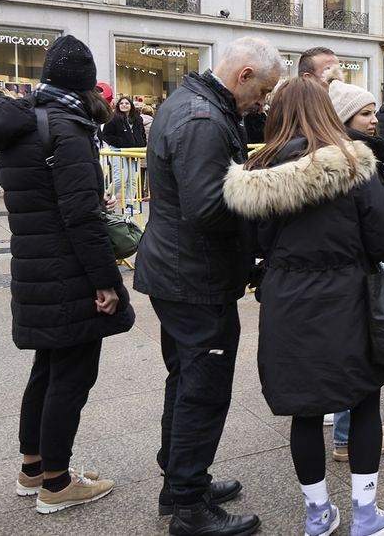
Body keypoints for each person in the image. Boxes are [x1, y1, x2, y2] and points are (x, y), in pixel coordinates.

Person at [223, 78, 384, 536]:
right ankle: (366, 516)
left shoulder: (255, 172)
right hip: (349, 296)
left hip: (287, 299)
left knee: (304, 410)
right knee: (363, 399)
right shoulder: (351, 163)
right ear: (326, 111)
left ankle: (317, 515)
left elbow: (252, 243)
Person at [0, 36, 136, 514]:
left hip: (35, 266)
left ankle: (32, 468)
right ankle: (58, 483)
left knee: (46, 371)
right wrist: (106, 282)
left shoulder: (27, 121)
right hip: (68, 270)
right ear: (86, 86)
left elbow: (47, 198)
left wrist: (84, 200)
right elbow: (80, 219)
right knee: (71, 377)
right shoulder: (67, 127)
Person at [135, 36, 282, 536]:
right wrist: (265, 195)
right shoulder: (205, 119)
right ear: (243, 76)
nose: (261, 103)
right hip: (195, 276)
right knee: (203, 388)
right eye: (262, 92)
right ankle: (190, 506)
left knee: (186, 380)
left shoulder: (188, 102)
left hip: (181, 271)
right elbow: (208, 208)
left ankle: (179, 484)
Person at [327, 81, 384, 462]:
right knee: (355, 354)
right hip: (353, 269)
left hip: (354, 266)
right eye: (365, 114)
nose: (374, 121)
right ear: (344, 118)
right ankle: (346, 437)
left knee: (365, 351)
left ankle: (361, 423)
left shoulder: (359, 151)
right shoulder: (349, 157)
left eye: (374, 112)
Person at [102, 95, 147, 209]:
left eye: (126, 103)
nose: (124, 105)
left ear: (131, 105)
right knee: (120, 177)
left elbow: (142, 133)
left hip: (134, 151)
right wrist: (120, 142)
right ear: (118, 105)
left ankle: (129, 205)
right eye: (121, 103)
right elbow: (106, 135)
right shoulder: (113, 118)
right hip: (118, 151)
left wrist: (141, 143)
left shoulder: (138, 119)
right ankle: (106, 196)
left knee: (132, 180)